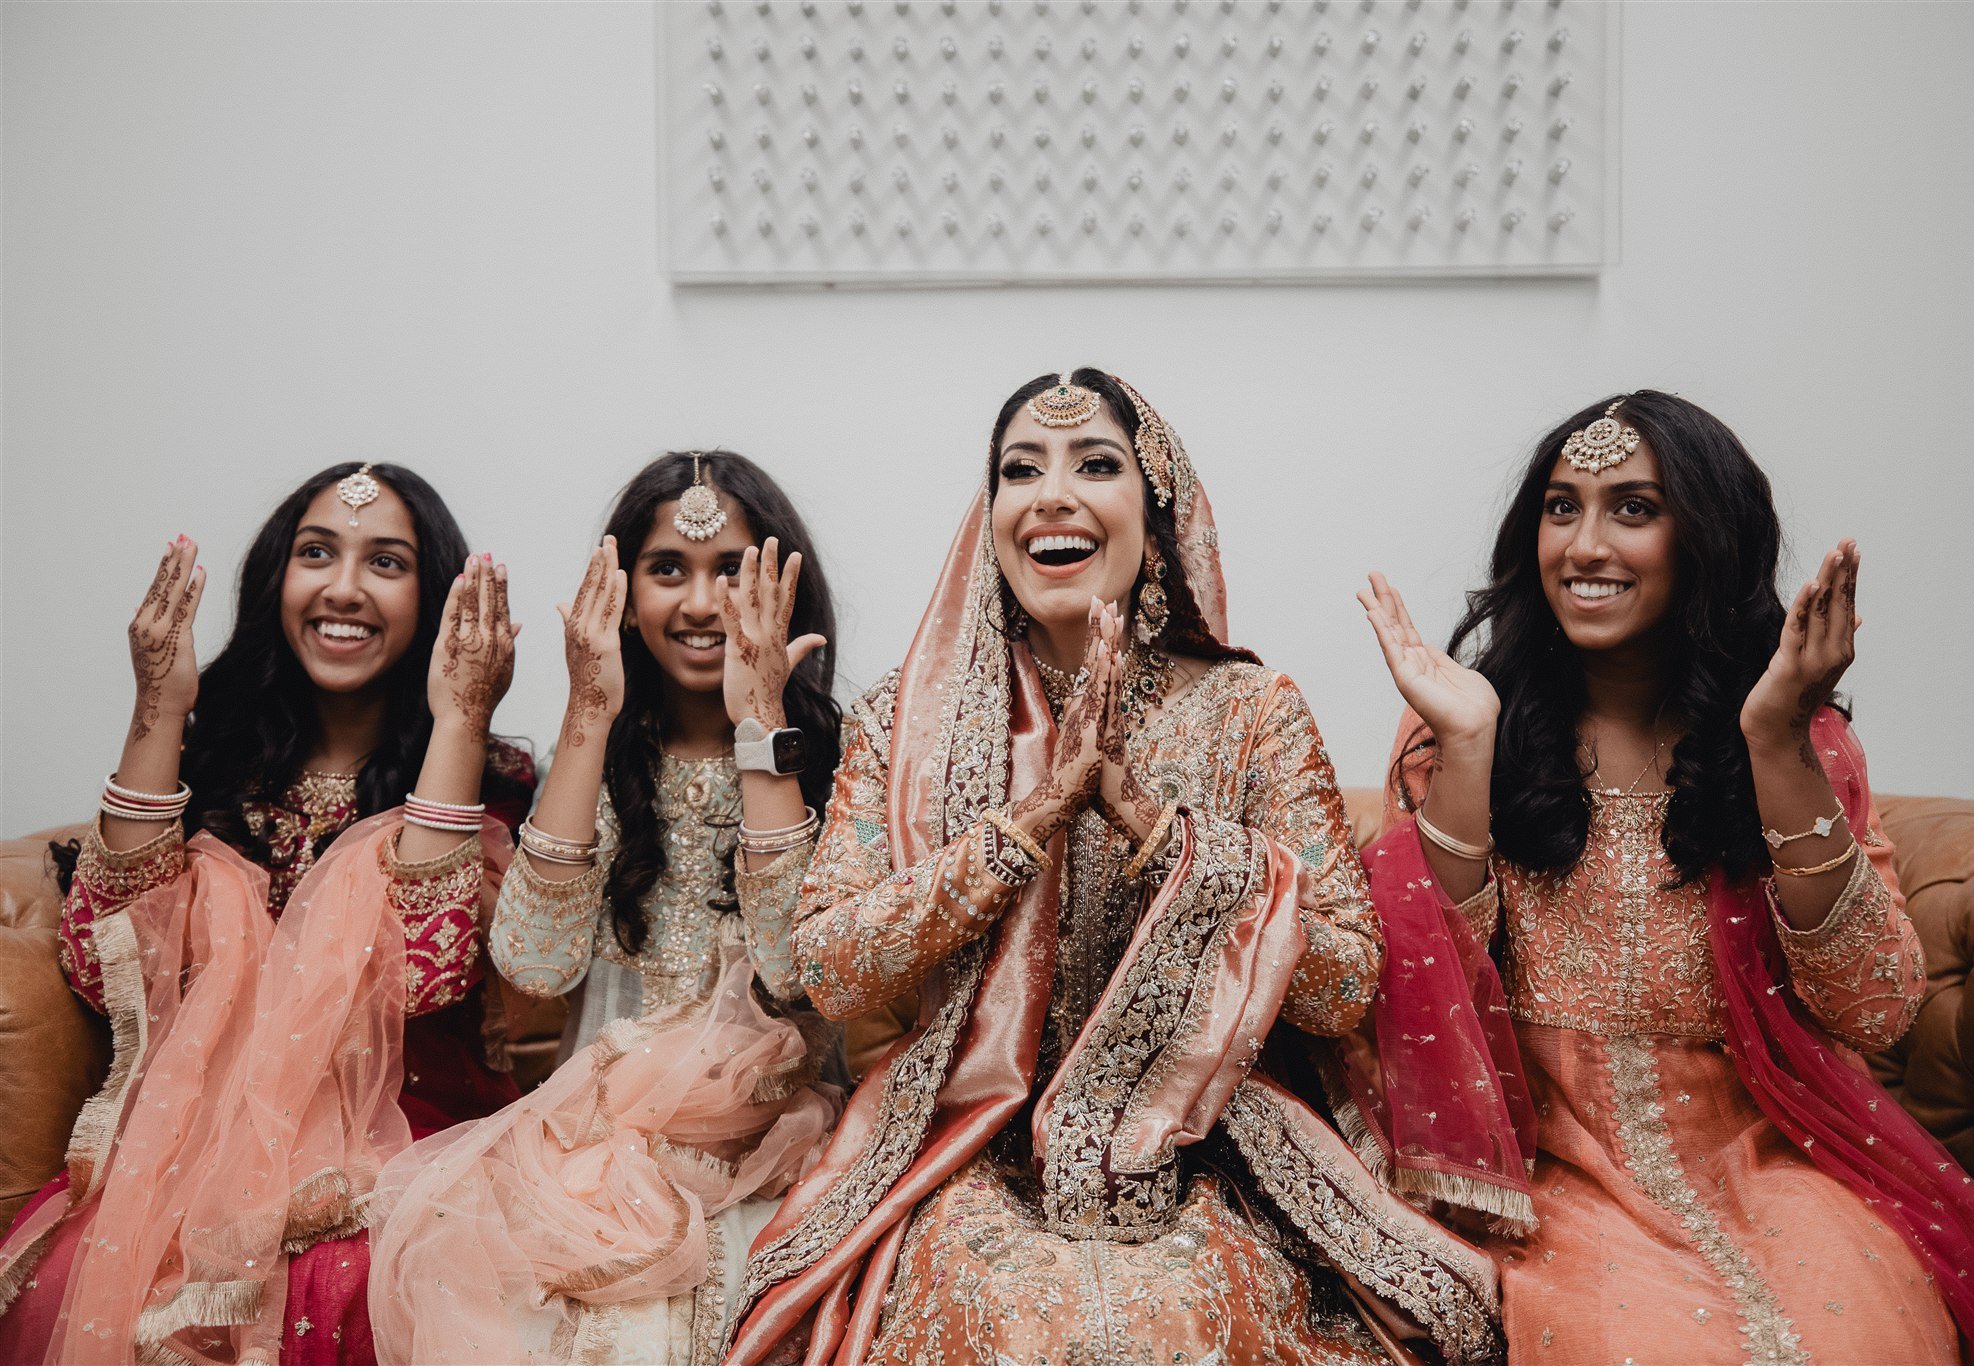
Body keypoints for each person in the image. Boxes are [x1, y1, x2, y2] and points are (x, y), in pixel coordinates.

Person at [727, 370, 1513, 1366]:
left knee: (1172, 1319)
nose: (1051, 492)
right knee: (1015, 1318)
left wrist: (1162, 837)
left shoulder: (1250, 710)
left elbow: (1344, 985)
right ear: (992, 515)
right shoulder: (906, 727)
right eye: (1020, 470)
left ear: (1158, 511)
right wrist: (1020, 828)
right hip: (972, 1141)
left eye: (1095, 464)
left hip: (1205, 1144)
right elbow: (828, 969)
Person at [1357, 390, 1974, 1362]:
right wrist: (1466, 755)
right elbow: (1428, 1004)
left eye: (1631, 508)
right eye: (1561, 507)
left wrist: (1774, 745)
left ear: (1707, 536)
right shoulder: (1463, 724)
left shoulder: (1799, 743)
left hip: (1769, 1151)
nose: (1583, 545)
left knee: (1847, 1335)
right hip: (1544, 1167)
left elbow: (1872, 1007)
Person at [0, 462, 531, 1364]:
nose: (344, 588)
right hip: (188, 1145)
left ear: (434, 599)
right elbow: (104, 966)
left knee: (340, 1282)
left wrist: (459, 721)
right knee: (74, 1279)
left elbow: (426, 976)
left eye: (387, 563)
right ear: (274, 581)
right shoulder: (212, 764)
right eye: (315, 553)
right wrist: (157, 707)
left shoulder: (479, 780)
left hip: (394, 1138)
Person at [369, 450, 842, 1362]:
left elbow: (795, 970)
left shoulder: (838, 757)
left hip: (778, 1143)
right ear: (621, 594)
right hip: (591, 1147)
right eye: (668, 570)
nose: (700, 605)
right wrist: (590, 710)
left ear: (783, 588)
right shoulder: (604, 759)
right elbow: (536, 965)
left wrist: (760, 729)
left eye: (732, 573)